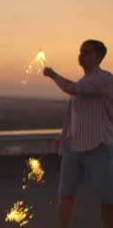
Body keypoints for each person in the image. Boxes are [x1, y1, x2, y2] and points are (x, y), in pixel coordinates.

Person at [43, 39, 113, 228]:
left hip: (97, 145)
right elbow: (71, 114)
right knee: (65, 194)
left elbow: (73, 89)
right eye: (81, 51)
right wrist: (64, 135)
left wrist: (52, 74)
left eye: (87, 52)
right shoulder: (84, 80)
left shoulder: (104, 79)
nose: (82, 55)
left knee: (107, 199)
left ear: (99, 57)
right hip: (73, 146)